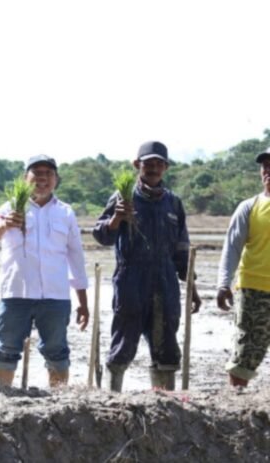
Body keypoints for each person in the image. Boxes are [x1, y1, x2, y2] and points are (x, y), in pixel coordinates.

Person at [92, 141, 200, 392]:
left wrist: (191, 287)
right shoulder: (123, 198)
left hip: (165, 280)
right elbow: (101, 236)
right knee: (124, 339)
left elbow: (182, 249)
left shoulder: (173, 203)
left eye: (158, 164)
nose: (153, 168)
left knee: (166, 343)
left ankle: (165, 402)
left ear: (166, 167)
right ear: (137, 165)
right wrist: (117, 217)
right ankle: (111, 399)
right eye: (147, 163)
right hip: (131, 278)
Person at [0, 155, 89, 388]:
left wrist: (82, 300)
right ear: (25, 178)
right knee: (7, 348)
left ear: (56, 179)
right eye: (36, 173)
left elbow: (76, 257)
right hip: (16, 294)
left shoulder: (66, 212)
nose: (42, 178)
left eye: (48, 173)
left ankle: (59, 402)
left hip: (55, 296)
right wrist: (5, 224)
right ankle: (2, 398)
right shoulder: (10, 207)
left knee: (57, 351)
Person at [216, 146, 270, 387]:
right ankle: (236, 406)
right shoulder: (250, 207)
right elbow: (232, 248)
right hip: (254, 292)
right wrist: (223, 284)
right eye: (265, 166)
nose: (268, 170)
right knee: (244, 356)